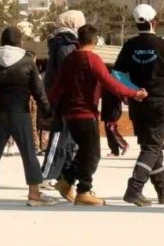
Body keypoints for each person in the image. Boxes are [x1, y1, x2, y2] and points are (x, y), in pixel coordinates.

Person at [55, 25, 147, 206]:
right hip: (85, 113)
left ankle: (65, 182)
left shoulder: (68, 59)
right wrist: (133, 93)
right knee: (93, 154)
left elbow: (57, 86)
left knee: (84, 151)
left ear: (78, 40)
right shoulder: (92, 59)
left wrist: (49, 105)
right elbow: (110, 82)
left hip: (69, 113)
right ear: (95, 41)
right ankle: (83, 191)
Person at [113, 4, 164, 207]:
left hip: (138, 103)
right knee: (153, 147)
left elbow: (116, 74)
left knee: (150, 147)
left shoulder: (129, 45)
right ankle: (134, 188)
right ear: (155, 22)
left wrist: (134, 90)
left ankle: (163, 190)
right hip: (161, 101)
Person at [0, 27, 57, 207]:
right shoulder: (27, 61)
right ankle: (34, 193)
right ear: (19, 42)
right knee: (29, 153)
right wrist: (47, 110)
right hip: (20, 113)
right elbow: (38, 91)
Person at [41, 10, 84, 187]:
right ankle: (46, 174)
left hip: (66, 95)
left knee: (70, 137)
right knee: (60, 135)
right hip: (63, 96)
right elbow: (69, 71)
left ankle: (63, 175)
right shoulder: (66, 43)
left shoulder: (67, 42)